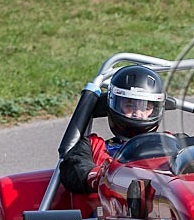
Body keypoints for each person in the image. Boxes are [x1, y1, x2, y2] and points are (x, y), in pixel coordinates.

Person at [59, 65, 166, 194]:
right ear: (114, 104)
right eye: (129, 105)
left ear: (155, 110)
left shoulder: (168, 142)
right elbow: (72, 168)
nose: (137, 113)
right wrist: (102, 176)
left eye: (145, 107)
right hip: (108, 208)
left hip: (160, 205)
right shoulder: (93, 146)